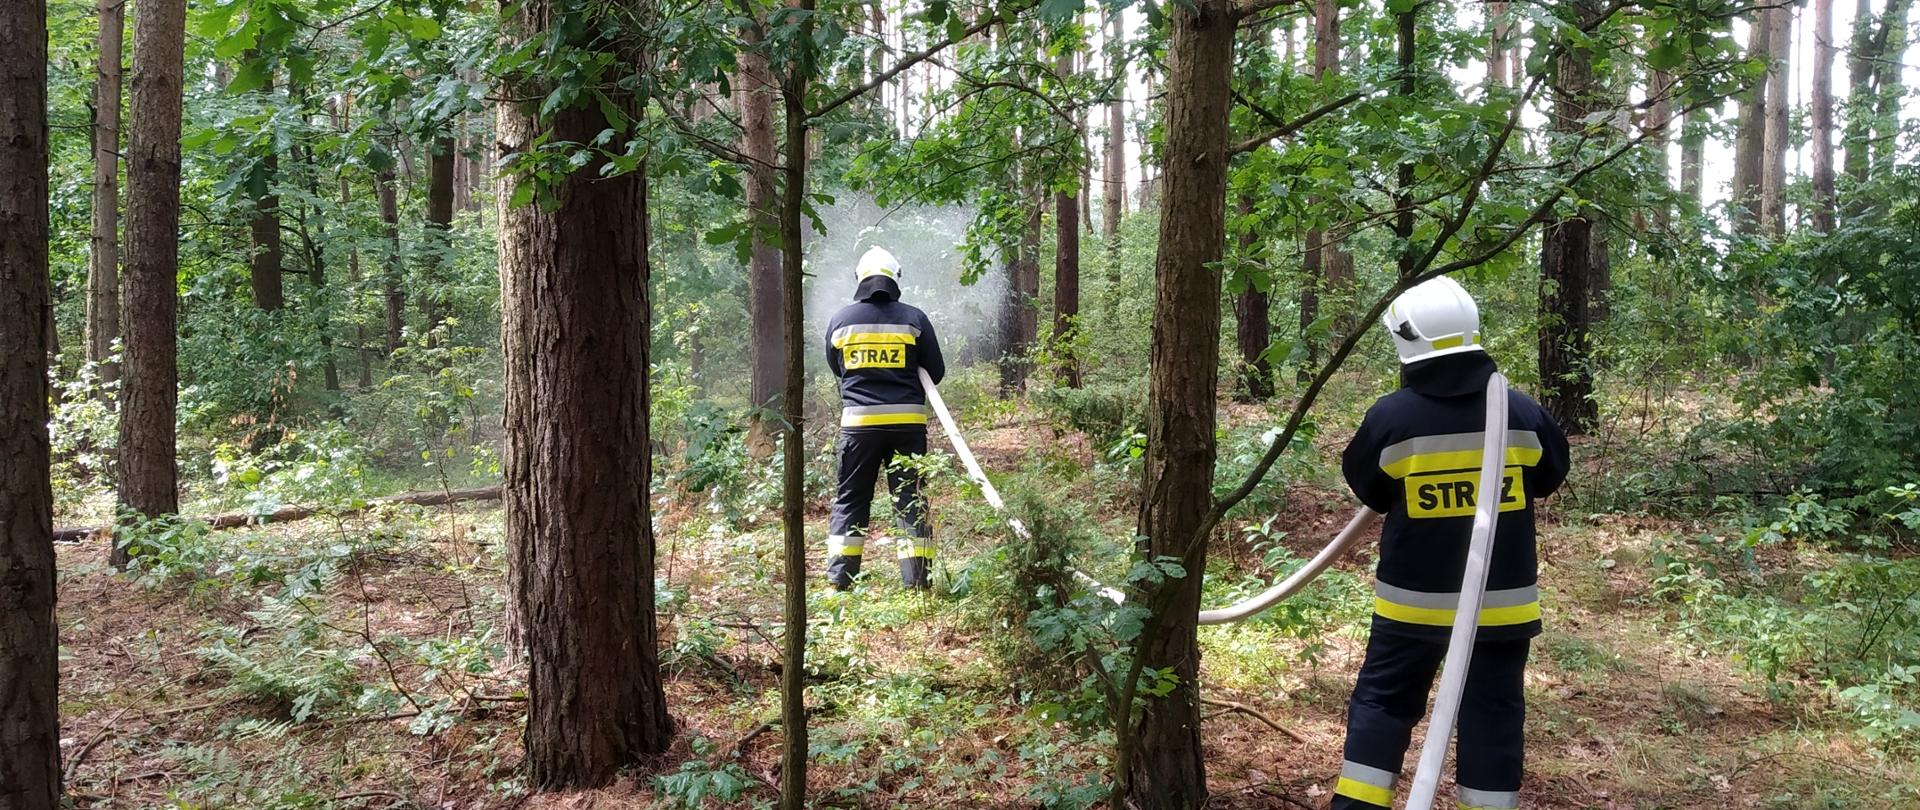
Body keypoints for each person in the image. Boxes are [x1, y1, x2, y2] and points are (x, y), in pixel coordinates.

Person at [1330, 276, 1571, 810]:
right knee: (1492, 713)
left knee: (1383, 707)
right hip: (1502, 609)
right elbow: (1550, 476)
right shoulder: (1521, 413)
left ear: (1406, 338)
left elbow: (1368, 487)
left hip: (1411, 609)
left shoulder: (1391, 419)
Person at [823, 246, 946, 590]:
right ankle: (917, 582)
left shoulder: (841, 321)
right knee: (910, 499)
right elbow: (935, 372)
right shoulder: (914, 319)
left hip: (859, 427)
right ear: (896, 278)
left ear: (859, 278)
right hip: (907, 426)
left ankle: (841, 580)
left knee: (851, 499)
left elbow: (837, 368)